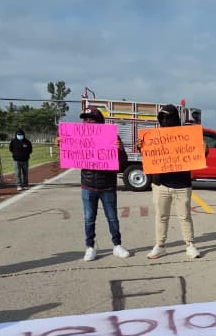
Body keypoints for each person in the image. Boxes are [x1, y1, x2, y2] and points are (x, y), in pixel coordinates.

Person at [143, 103, 202, 260]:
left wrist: (204, 150)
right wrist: (142, 146)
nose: (165, 120)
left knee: (185, 216)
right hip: (160, 184)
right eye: (162, 117)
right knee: (161, 216)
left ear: (176, 118)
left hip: (182, 184)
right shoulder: (155, 137)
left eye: (168, 117)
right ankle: (160, 246)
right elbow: (149, 157)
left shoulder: (187, 135)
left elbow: (198, 154)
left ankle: (190, 244)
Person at [76, 109, 130, 262]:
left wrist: (119, 150)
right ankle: (90, 247)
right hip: (88, 186)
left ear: (99, 121)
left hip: (108, 186)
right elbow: (71, 155)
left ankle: (117, 245)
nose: (87, 122)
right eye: (85, 119)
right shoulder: (80, 137)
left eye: (91, 119)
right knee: (89, 219)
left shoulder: (113, 137)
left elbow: (122, 164)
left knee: (112, 218)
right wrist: (63, 143)